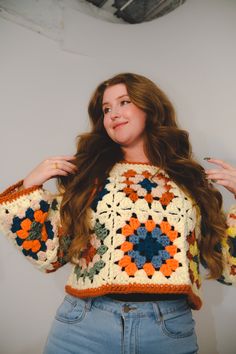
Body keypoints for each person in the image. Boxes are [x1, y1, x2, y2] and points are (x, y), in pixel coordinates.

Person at [0, 73, 235, 354]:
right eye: (106, 109)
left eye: (124, 102)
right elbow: (50, 253)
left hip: (167, 330)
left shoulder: (188, 179)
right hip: (83, 327)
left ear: (149, 107)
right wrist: (30, 185)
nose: (113, 114)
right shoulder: (90, 175)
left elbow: (225, 265)